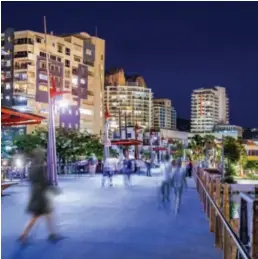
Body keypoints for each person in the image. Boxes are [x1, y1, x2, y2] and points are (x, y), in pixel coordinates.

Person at [18, 148, 59, 243]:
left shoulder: (31, 167)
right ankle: (24, 234)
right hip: (41, 195)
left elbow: (30, 179)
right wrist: (52, 189)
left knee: (47, 213)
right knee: (38, 215)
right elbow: (44, 181)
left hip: (34, 193)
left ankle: (52, 233)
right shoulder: (40, 167)